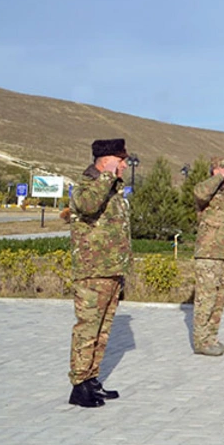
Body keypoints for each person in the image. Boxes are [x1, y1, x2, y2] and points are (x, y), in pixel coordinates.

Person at [67, 138, 132, 408]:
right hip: (92, 272)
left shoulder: (112, 190)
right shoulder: (86, 186)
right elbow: (88, 205)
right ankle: (79, 385)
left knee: (102, 331)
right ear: (106, 161)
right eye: (121, 160)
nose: (125, 165)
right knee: (88, 329)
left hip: (111, 270)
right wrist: (107, 176)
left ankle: (91, 379)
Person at [192, 157, 224, 356]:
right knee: (206, 299)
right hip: (209, 254)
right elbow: (200, 193)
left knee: (219, 299)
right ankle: (201, 341)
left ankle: (212, 338)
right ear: (216, 170)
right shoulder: (206, 190)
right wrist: (219, 176)